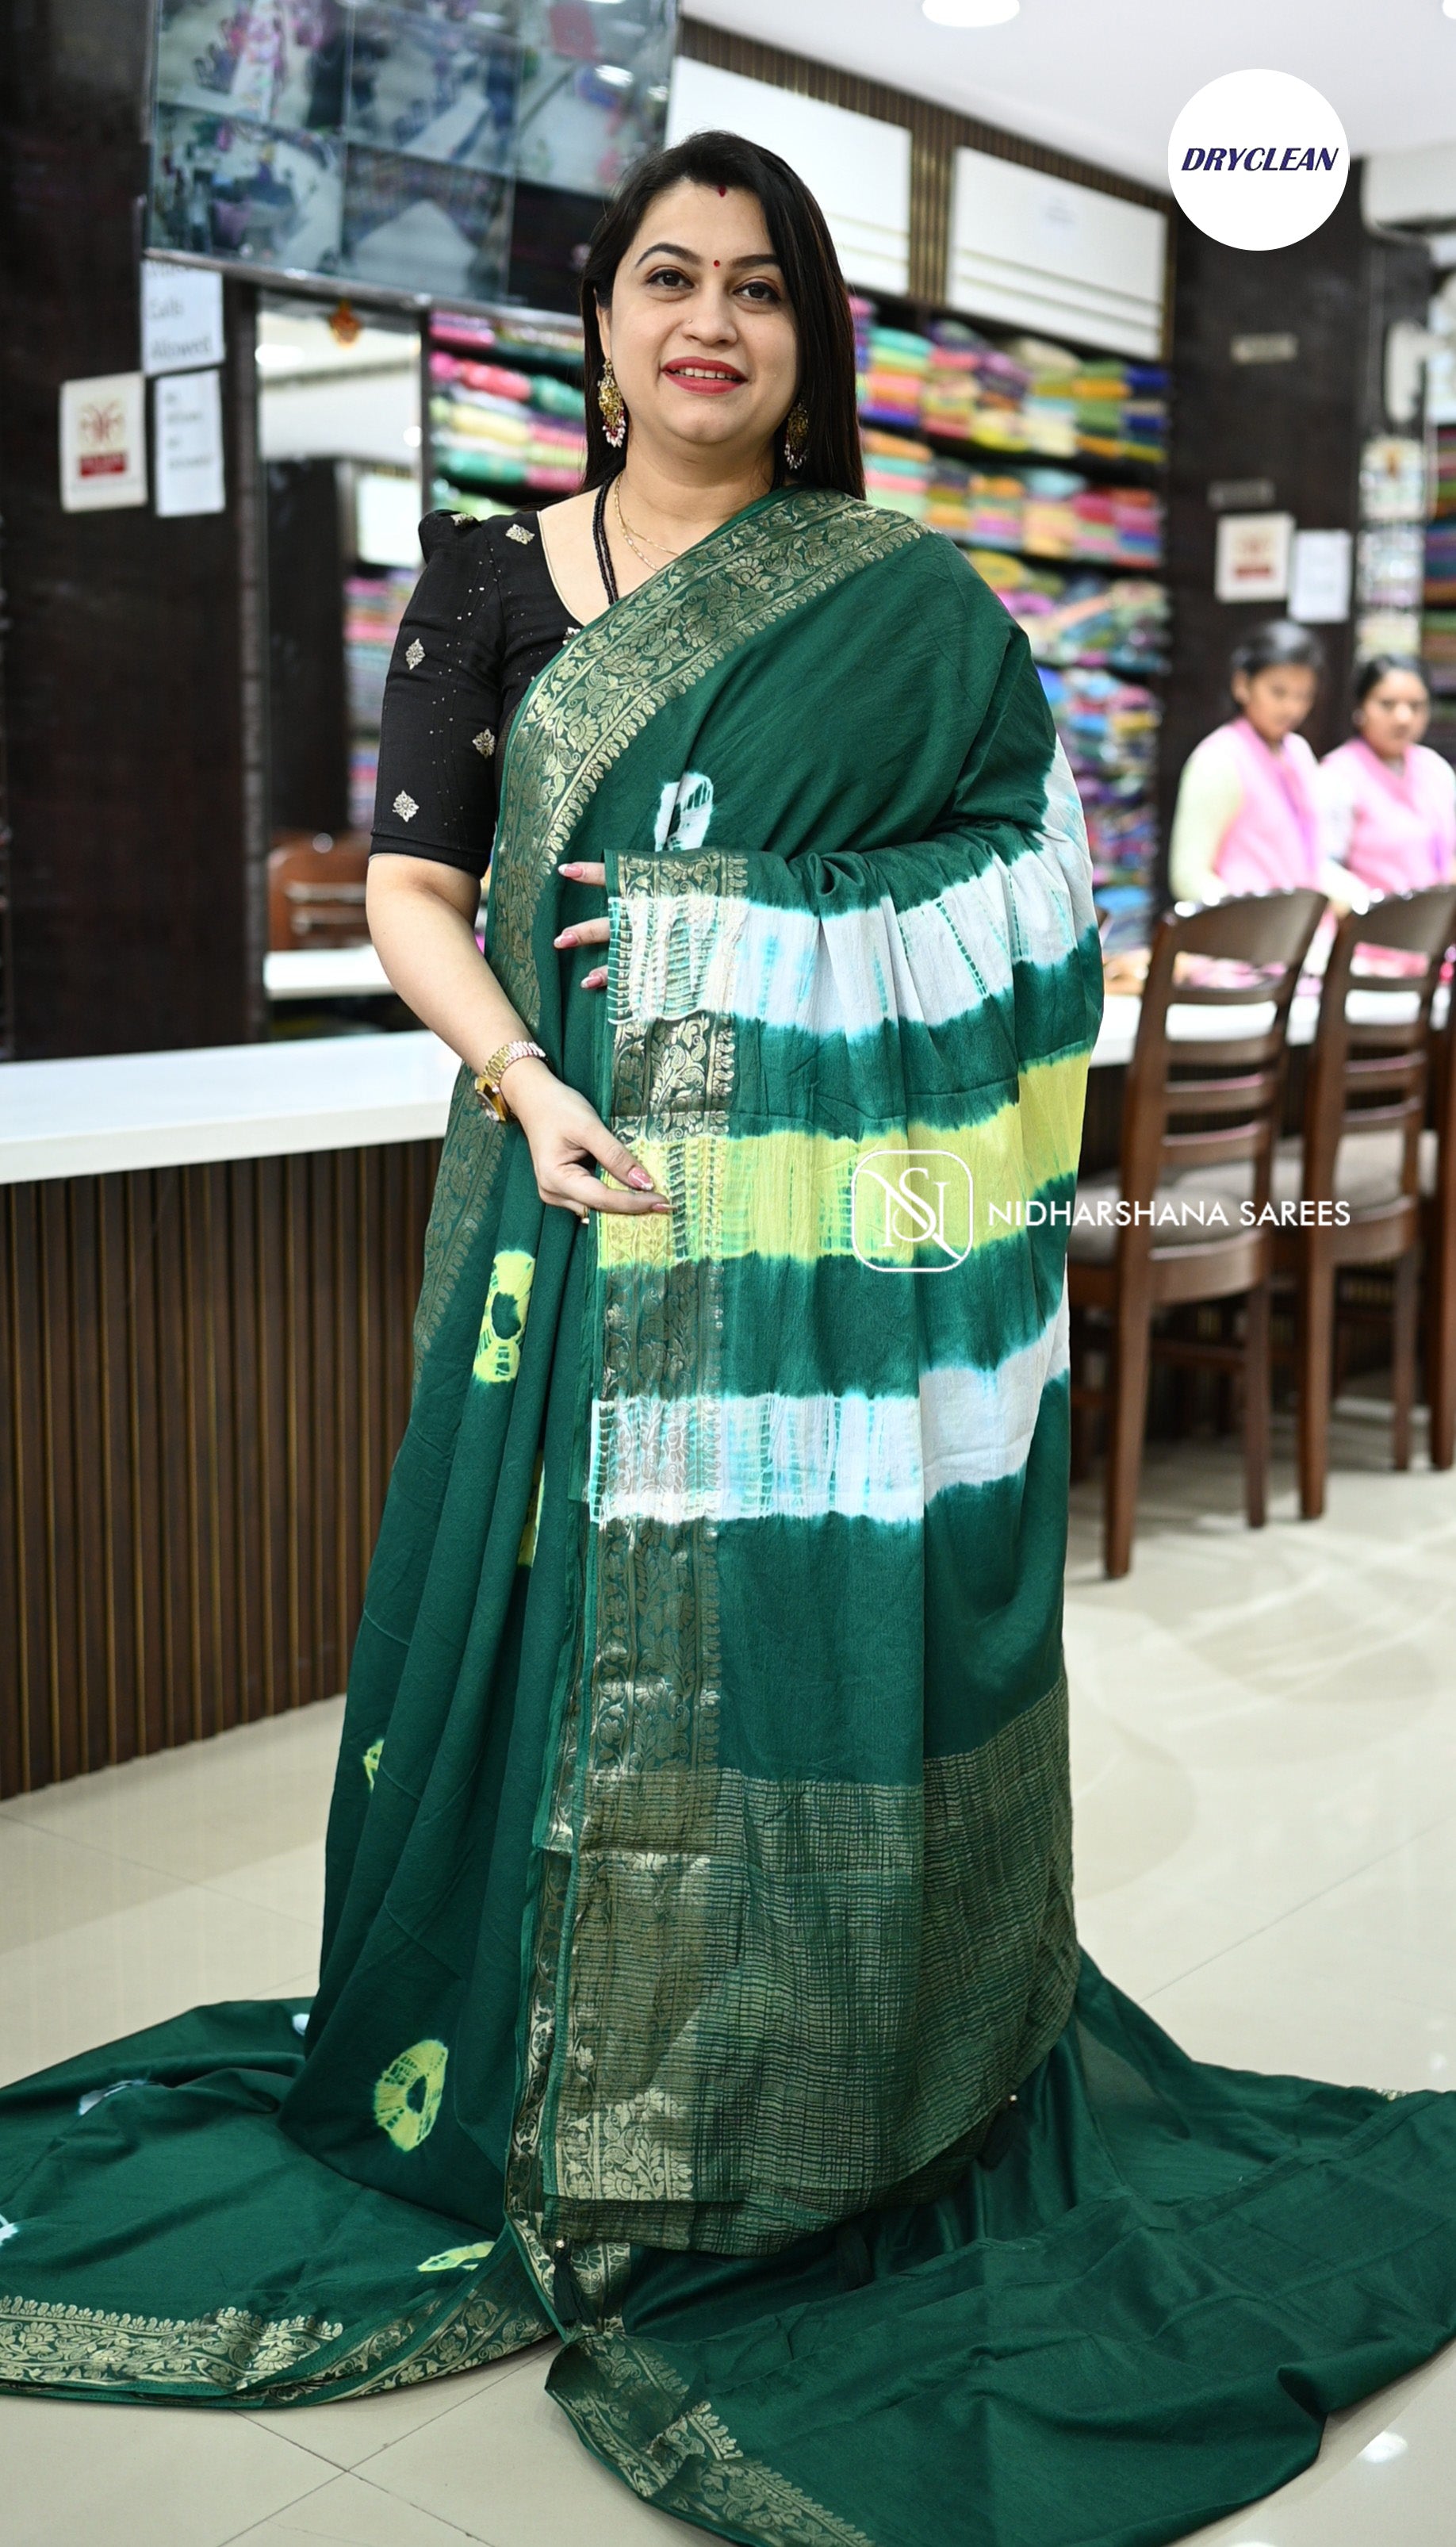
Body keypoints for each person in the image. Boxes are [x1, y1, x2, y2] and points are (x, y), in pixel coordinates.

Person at [5, 132, 1456, 2547]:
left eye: (760, 285)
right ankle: (523, 2078)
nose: (710, 320)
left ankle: (797, 2087)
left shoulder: (908, 602)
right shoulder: (491, 579)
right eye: (668, 276)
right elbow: (417, 883)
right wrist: (531, 1071)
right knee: (533, 1624)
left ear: (810, 338)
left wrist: (732, 926)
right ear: (600, 324)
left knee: (775, 1636)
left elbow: (1030, 899)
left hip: (804, 1256)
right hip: (558, 1198)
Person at [1168, 619, 1358, 908]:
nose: (1292, 708)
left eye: (1303, 696)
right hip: (1246, 932)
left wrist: (1364, 903)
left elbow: (1314, 862)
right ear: (1242, 685)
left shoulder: (1298, 751)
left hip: (1301, 928)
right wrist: (1252, 920)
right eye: (1278, 692)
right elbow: (1189, 877)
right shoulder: (1217, 760)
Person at [1320, 652, 1456, 897]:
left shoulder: (1436, 769)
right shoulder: (1337, 775)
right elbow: (1324, 865)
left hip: (1436, 917)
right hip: (1371, 917)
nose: (1403, 718)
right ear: (1360, 707)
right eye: (1387, 704)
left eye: (1416, 706)